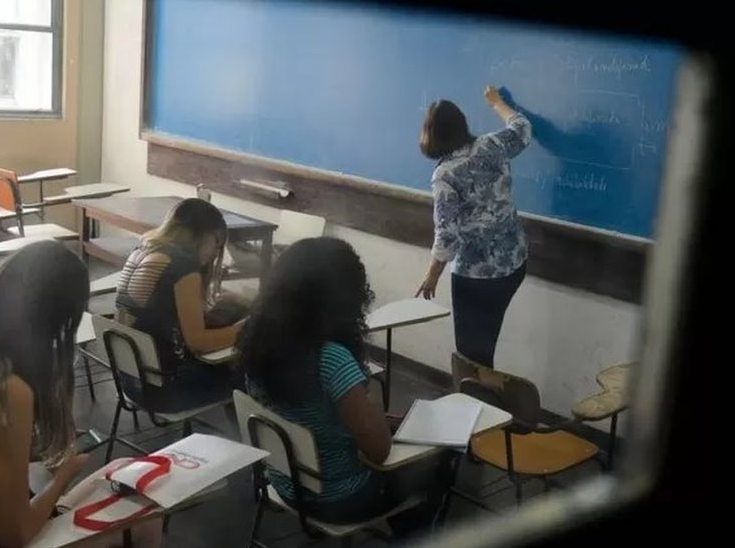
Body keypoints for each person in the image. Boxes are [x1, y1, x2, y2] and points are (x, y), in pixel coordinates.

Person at [0, 240, 162, 547]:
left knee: (116, 473)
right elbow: (13, 536)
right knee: (145, 518)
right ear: (59, 319)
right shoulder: (6, 388)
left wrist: (28, 449)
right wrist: (62, 478)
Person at [240, 237, 438, 538]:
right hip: (341, 498)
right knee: (438, 462)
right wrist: (372, 414)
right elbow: (380, 451)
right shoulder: (330, 359)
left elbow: (310, 415)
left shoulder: (256, 340)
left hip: (286, 482)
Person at [416, 85, 533, 368]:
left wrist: (431, 277)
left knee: (472, 359)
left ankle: (481, 408)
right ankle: (486, 403)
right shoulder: (492, 144)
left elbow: (446, 234)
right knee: (483, 350)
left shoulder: (444, 175)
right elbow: (523, 127)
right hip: (514, 263)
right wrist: (497, 102)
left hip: (478, 277)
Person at [115, 198, 243, 412]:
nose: (215, 254)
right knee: (247, 375)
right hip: (166, 390)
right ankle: (235, 443)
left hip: (131, 380)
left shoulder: (143, 249)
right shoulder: (182, 266)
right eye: (217, 244)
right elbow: (198, 342)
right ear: (206, 236)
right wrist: (243, 332)